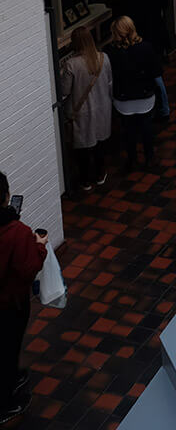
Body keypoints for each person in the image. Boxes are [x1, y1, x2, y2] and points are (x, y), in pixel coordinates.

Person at [0, 172, 47, 425]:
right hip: (10, 304)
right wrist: (39, 245)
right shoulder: (16, 231)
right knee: (8, 349)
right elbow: (29, 269)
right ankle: (6, 404)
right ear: (6, 196)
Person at [60, 25, 113, 191]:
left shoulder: (71, 65)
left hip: (81, 112)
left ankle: (85, 180)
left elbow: (64, 91)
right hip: (102, 108)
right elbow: (110, 83)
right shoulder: (104, 58)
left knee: (82, 149)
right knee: (100, 145)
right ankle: (100, 174)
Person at [106, 16, 161, 172]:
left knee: (128, 129)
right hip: (144, 95)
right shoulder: (146, 47)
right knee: (146, 127)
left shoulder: (111, 53)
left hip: (123, 99)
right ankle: (149, 157)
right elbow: (157, 71)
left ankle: (132, 160)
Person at [117, 0, 170, 119]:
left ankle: (162, 107)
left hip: (146, 35)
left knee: (154, 74)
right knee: (156, 71)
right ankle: (163, 107)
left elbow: (129, 12)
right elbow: (165, 4)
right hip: (158, 33)